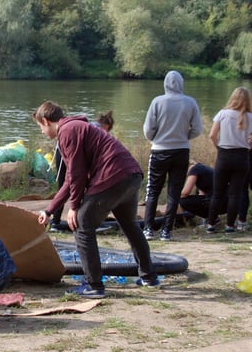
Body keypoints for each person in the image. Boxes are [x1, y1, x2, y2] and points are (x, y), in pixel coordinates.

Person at [34, 101, 160, 299]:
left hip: (112, 177)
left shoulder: (67, 131)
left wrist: (74, 207)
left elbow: (76, 174)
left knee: (81, 225)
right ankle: (149, 277)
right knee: (130, 226)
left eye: (40, 127)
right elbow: (70, 179)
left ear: (45, 121)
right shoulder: (77, 127)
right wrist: (49, 211)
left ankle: (93, 285)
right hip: (131, 175)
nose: (42, 132)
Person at [142, 70, 202, 241]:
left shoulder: (157, 102)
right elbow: (197, 129)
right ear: (181, 83)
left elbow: (148, 129)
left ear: (166, 83)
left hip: (159, 150)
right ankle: (166, 231)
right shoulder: (190, 102)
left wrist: (155, 138)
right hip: (182, 151)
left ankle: (148, 229)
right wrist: (183, 137)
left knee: (153, 190)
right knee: (174, 192)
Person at [49, 110, 115, 232]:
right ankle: (83, 219)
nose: (107, 133)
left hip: (61, 151)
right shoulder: (97, 129)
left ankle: (55, 221)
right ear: (106, 126)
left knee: (63, 186)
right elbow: (78, 172)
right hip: (69, 151)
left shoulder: (86, 125)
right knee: (77, 184)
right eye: (108, 130)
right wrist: (74, 206)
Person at [206, 87, 252, 233]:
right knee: (235, 193)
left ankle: (211, 224)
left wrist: (218, 147)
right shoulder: (250, 117)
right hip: (242, 157)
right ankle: (230, 226)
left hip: (224, 155)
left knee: (217, 193)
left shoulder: (222, 114)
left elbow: (212, 135)